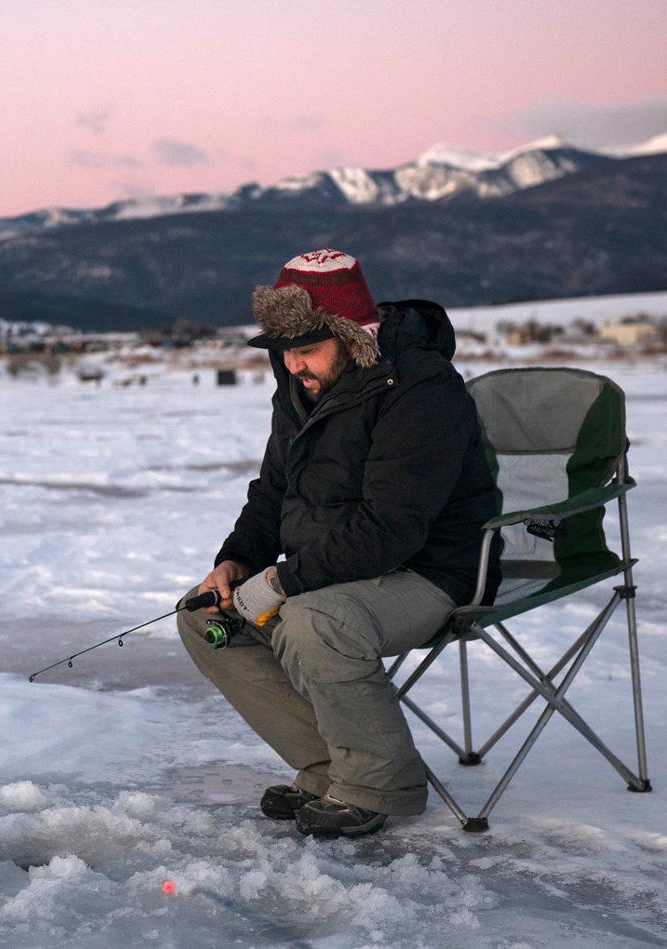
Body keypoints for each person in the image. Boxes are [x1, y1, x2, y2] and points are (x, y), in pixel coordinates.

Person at [178, 249, 501, 838]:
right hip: (334, 571)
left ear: (355, 337)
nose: (294, 363)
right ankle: (331, 767)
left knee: (311, 621)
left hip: (431, 571)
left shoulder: (421, 389)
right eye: (285, 349)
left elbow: (393, 527)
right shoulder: (299, 390)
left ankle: (380, 783)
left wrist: (281, 581)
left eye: (309, 348)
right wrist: (236, 562)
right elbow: (274, 490)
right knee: (204, 618)